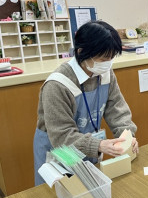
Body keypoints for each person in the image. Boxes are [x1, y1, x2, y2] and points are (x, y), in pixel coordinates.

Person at [33, 20, 139, 185]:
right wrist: (99, 145)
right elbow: (62, 136)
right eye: (104, 58)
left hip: (86, 145)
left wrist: (127, 135)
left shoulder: (105, 74)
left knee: (90, 195)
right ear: (82, 51)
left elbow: (117, 109)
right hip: (58, 150)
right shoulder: (57, 85)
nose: (108, 63)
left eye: (111, 58)